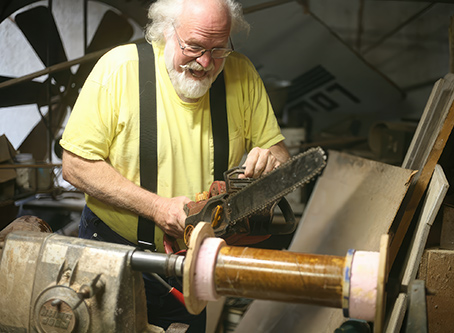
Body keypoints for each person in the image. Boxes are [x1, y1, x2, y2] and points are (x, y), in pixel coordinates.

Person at [60, 0, 289, 330]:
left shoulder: (242, 75)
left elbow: (279, 154)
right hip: (111, 252)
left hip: (190, 265)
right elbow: (75, 165)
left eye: (219, 49)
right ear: (166, 31)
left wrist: (270, 160)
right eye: (194, 46)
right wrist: (156, 207)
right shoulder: (119, 69)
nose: (206, 61)